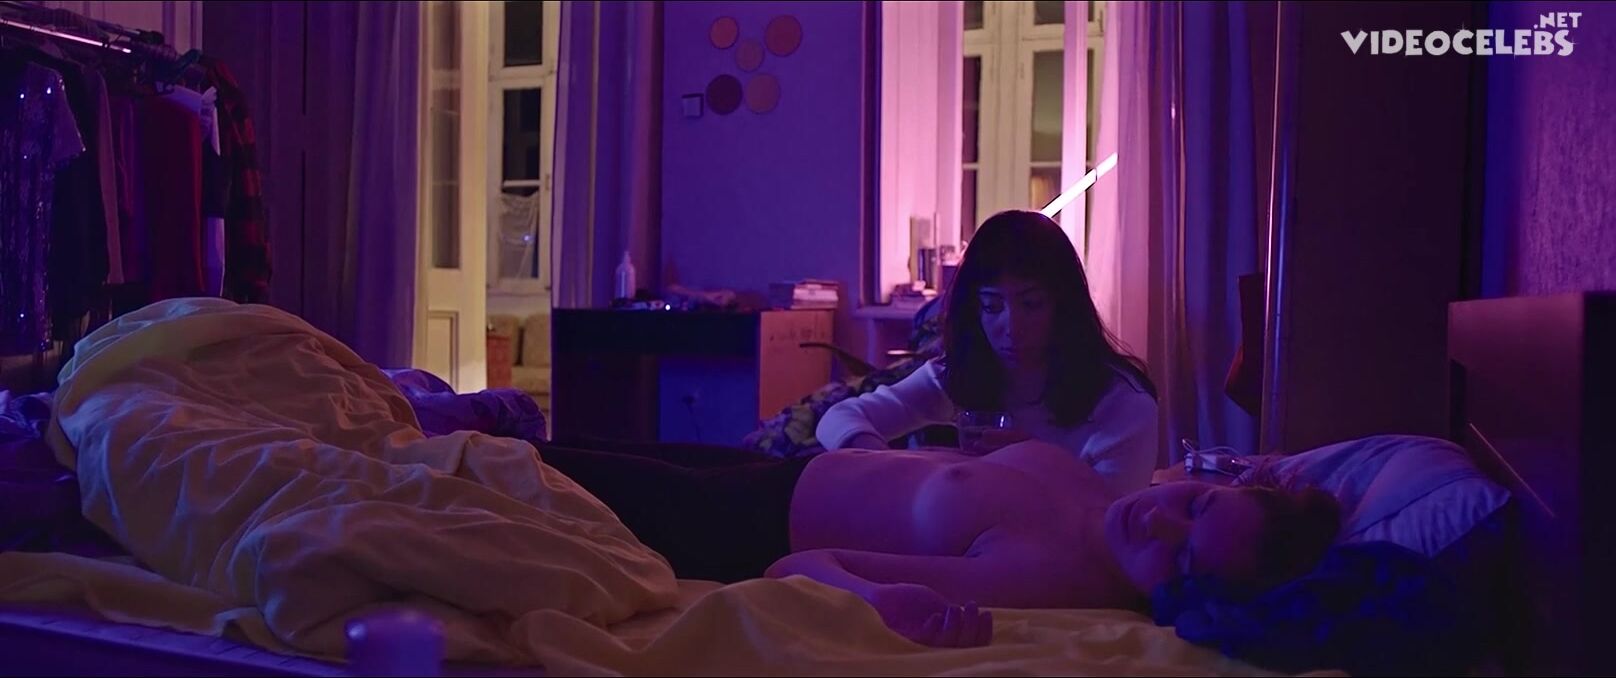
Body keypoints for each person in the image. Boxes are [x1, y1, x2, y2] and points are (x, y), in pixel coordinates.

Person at [535, 436, 1341, 649]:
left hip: (736, 522)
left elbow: (794, 567)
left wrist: (877, 600)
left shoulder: (1051, 576)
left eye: (1186, 554)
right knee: (546, 438)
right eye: (1195, 504)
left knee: (510, 462)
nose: (1160, 520)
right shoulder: (1099, 495)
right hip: (781, 467)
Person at [816, 210, 1161, 496]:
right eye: (992, 306)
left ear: (1064, 306)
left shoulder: (1121, 404)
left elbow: (1113, 524)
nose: (1011, 327)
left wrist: (1037, 463)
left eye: (1031, 304)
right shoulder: (961, 375)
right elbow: (839, 417)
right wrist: (889, 467)